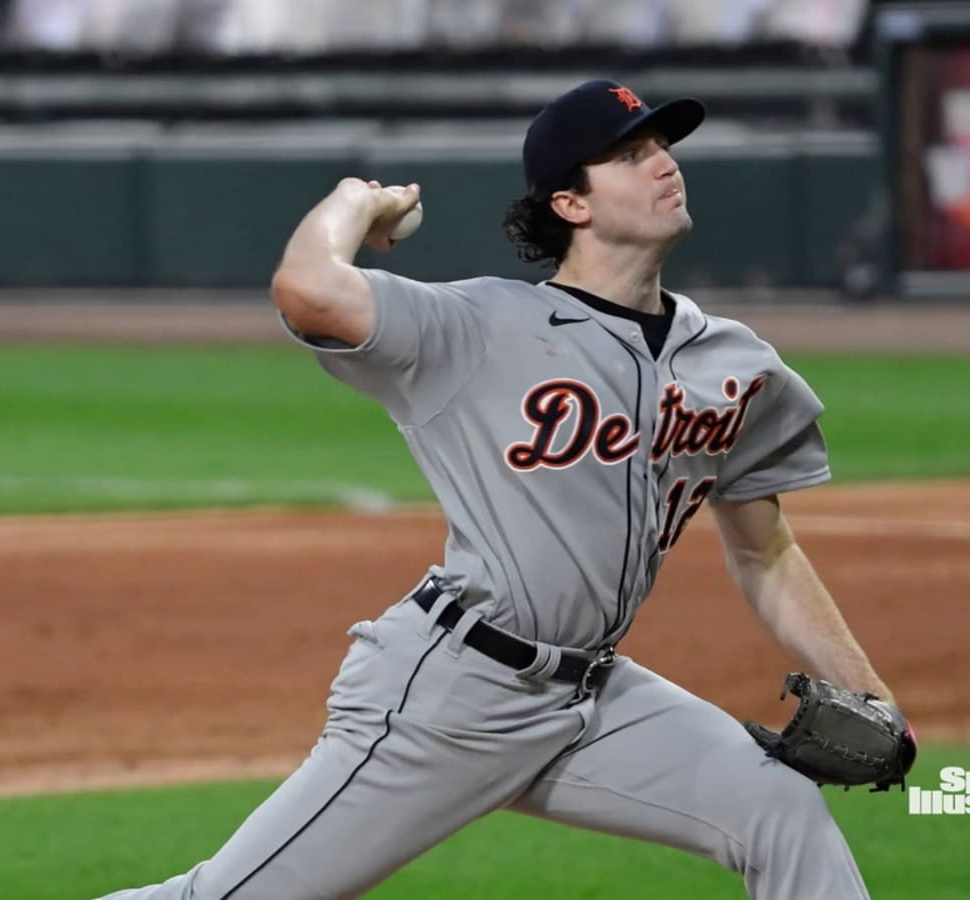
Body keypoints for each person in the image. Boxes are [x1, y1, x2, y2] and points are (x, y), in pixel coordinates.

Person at [95, 79, 907, 900]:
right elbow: (307, 286)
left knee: (779, 808)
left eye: (663, 147)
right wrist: (351, 202)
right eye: (631, 155)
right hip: (454, 694)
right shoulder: (477, 328)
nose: (664, 165)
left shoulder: (732, 362)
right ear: (571, 203)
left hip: (594, 698)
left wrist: (872, 695)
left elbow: (765, 552)